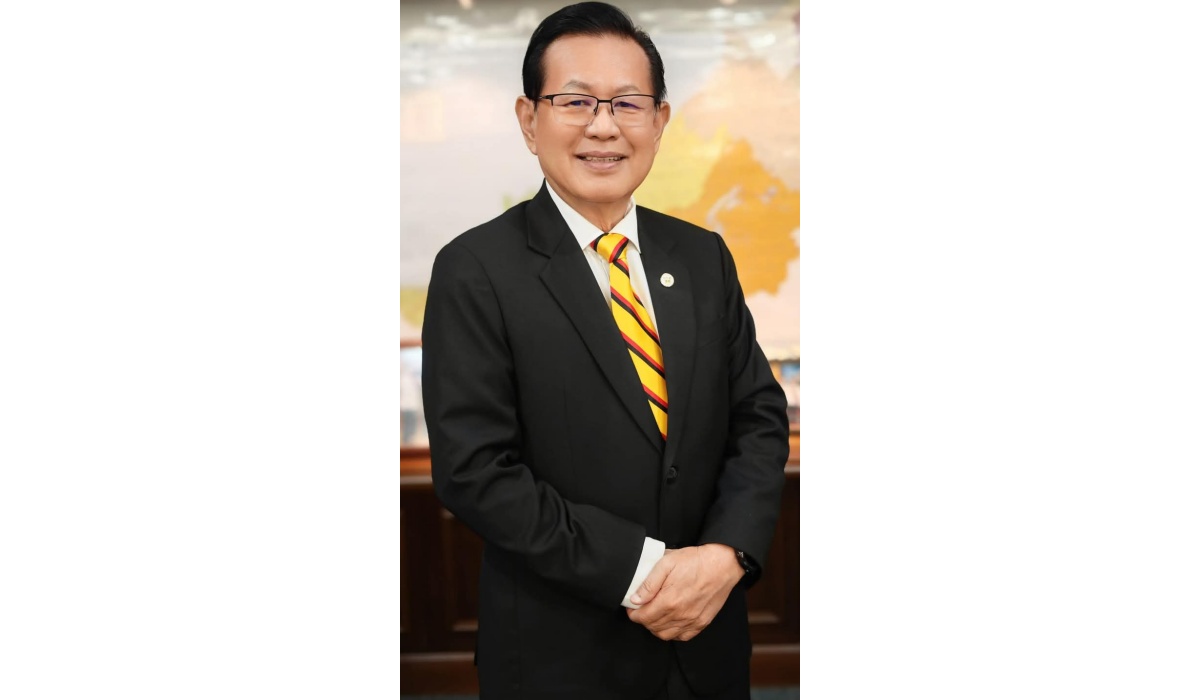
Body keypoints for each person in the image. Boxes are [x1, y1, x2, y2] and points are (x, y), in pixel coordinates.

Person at [421, 3, 790, 698]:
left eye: (627, 103)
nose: (603, 126)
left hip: (707, 645)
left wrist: (725, 555)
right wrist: (647, 573)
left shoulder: (702, 256)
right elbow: (476, 470)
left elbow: (759, 418)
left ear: (660, 120)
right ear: (529, 120)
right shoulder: (476, 270)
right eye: (575, 102)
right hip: (562, 658)